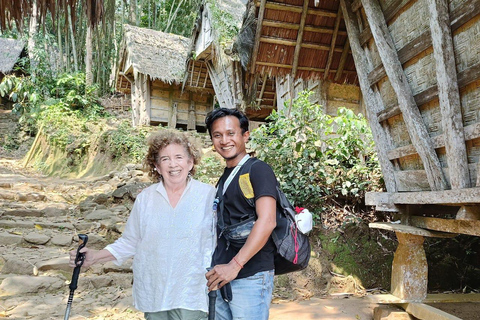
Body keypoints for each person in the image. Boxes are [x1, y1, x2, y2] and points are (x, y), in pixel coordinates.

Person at [69, 129, 216, 320]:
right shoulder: (146, 199)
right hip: (154, 292)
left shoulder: (208, 195)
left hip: (192, 292)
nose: (173, 164)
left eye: (179, 157)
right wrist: (95, 257)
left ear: (190, 162)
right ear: (156, 165)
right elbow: (131, 241)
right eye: (165, 159)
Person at [204, 108, 278, 320]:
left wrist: (234, 266)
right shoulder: (225, 177)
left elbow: (268, 220)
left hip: (250, 275)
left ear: (245, 135)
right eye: (217, 135)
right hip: (221, 275)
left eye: (231, 133)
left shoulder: (258, 169)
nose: (224, 140)